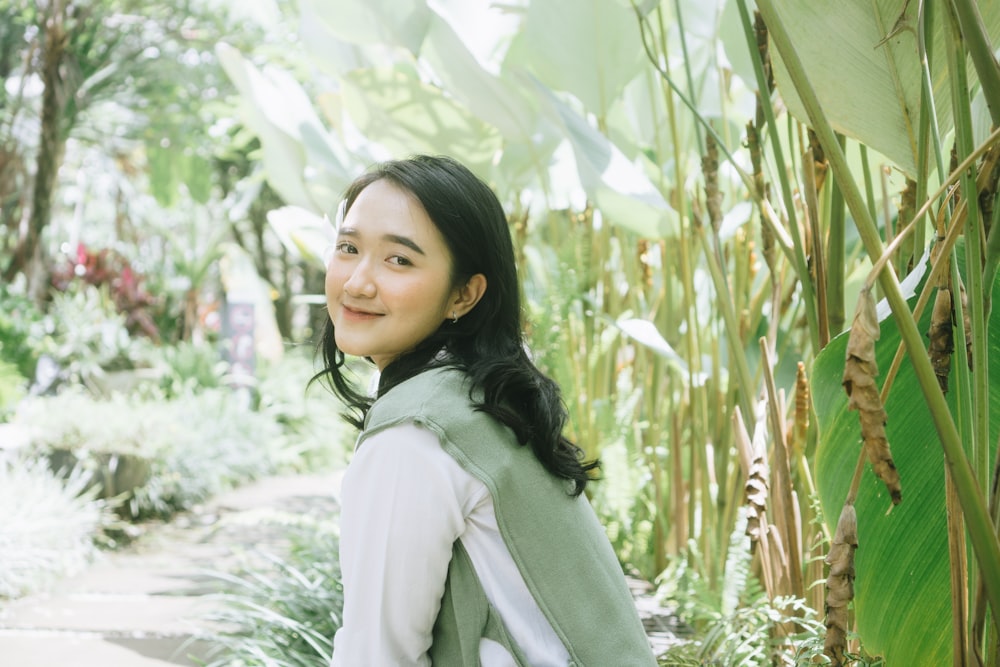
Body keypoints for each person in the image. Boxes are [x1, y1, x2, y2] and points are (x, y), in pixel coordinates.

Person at [316, 155, 656, 666]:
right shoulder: (480, 401)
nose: (357, 282)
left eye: (399, 260)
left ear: (464, 294)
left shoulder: (416, 434)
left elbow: (378, 657)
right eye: (348, 248)